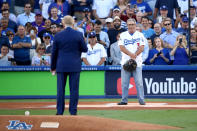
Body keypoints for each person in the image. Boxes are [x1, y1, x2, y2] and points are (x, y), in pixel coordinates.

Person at [51, 15, 88, 115]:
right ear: (73, 23)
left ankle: (59, 111)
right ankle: (73, 112)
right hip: (75, 65)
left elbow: (54, 53)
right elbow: (85, 49)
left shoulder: (58, 35)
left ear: (63, 23)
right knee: (74, 90)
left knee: (60, 90)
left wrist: (52, 67)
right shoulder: (78, 34)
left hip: (61, 65)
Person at [117, 18, 146, 105]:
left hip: (137, 62)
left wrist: (135, 55)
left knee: (139, 83)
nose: (131, 26)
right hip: (126, 62)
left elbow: (142, 47)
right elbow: (121, 47)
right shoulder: (123, 35)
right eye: (129, 25)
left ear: (135, 25)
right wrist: (131, 55)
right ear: (127, 26)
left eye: (132, 24)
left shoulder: (140, 35)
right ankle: (124, 100)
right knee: (125, 83)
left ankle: (141, 100)